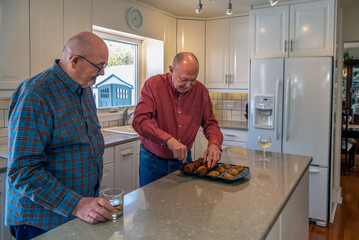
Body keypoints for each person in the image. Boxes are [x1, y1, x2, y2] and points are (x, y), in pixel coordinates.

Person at [5, 32, 116, 240]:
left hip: (73, 213)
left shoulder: (84, 90)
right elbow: (23, 170)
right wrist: (78, 204)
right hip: (41, 220)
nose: (101, 73)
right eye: (98, 66)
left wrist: (82, 204)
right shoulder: (36, 94)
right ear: (74, 61)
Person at [132, 52, 223, 187]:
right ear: (171, 70)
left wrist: (214, 143)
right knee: (152, 206)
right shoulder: (153, 85)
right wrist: (168, 140)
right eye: (184, 79)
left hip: (184, 160)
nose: (189, 85)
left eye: (193, 80)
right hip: (153, 160)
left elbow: (210, 123)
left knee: (184, 205)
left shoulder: (201, 91)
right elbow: (139, 121)